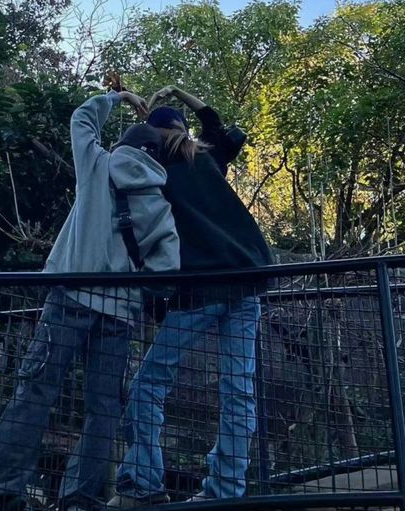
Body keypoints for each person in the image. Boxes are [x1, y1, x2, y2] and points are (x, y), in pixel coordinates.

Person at [0, 90, 180, 511]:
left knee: (35, 389)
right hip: (118, 316)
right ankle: (80, 498)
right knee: (103, 409)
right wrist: (133, 281)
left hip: (69, 298)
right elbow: (167, 272)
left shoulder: (98, 165)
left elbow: (82, 120)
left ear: (123, 144)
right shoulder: (160, 203)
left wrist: (117, 96)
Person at [107, 85, 274, 508]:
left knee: (149, 384)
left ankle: (142, 483)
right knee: (238, 389)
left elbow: (124, 153)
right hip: (249, 279)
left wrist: (138, 110)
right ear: (184, 130)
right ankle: (226, 491)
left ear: (152, 133)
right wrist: (179, 92)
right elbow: (216, 124)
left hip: (201, 287)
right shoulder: (209, 158)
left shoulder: (155, 166)